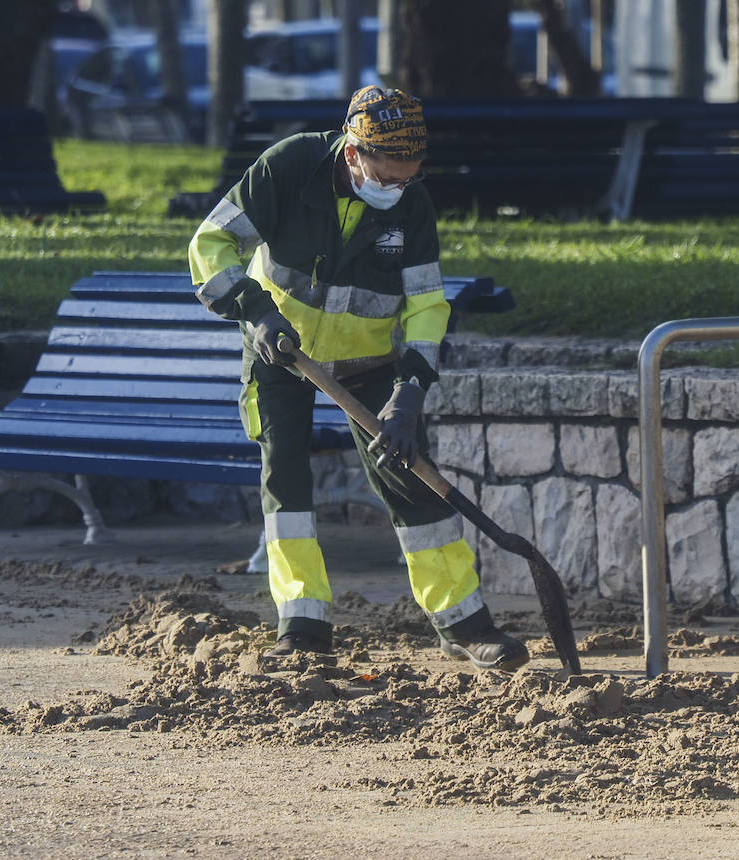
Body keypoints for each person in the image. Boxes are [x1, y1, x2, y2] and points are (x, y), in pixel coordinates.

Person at [187, 85, 528, 671]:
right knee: (286, 483)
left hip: (372, 366)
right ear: (352, 154)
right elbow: (210, 244)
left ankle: (464, 623)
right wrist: (258, 311)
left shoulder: (411, 205)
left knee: (411, 482)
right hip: (281, 354)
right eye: (387, 177)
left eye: (408, 178)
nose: (397, 190)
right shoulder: (289, 167)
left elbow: (424, 304)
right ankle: (303, 625)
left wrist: (409, 393)